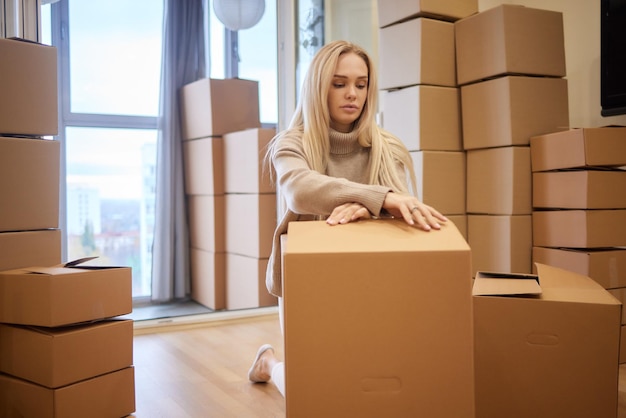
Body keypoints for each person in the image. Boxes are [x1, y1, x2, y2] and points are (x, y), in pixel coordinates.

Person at [247, 40, 448, 397]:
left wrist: (366, 209)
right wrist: (375, 197)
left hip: (369, 276)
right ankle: (271, 363)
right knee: (307, 389)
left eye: (361, 83)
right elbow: (300, 190)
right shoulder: (291, 144)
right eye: (339, 83)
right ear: (318, 86)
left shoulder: (388, 147)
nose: (352, 94)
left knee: (362, 374)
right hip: (303, 276)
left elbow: (404, 214)